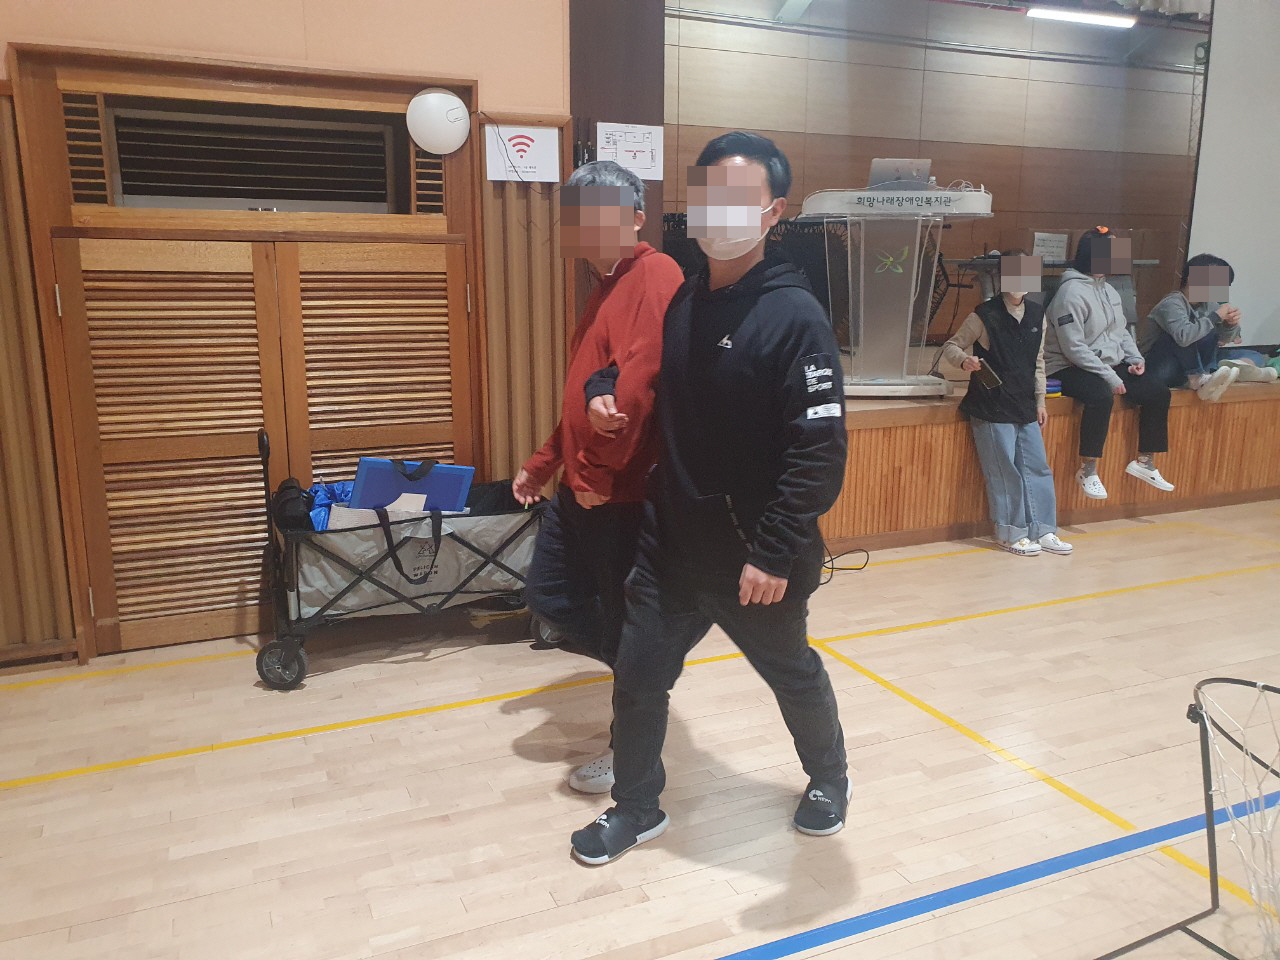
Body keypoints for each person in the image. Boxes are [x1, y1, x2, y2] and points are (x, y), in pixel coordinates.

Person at [568, 132, 850, 866]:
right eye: (708, 195)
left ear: (774, 212)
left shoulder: (796, 318)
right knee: (638, 678)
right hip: (672, 546)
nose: (718, 211)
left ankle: (830, 779)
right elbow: (633, 370)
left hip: (757, 560)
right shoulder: (687, 299)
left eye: (738, 198)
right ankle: (637, 807)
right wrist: (602, 391)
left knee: (790, 672)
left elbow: (819, 452)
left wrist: (775, 552)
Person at [513, 161, 684, 794]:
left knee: (622, 625)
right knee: (550, 596)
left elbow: (638, 393)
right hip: (580, 489)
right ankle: (642, 678)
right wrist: (544, 463)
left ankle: (631, 740)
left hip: (619, 495)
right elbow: (587, 394)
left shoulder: (656, 275)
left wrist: (603, 476)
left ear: (635, 218)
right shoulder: (605, 285)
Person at [943, 253, 1071, 558]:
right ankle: (1011, 533)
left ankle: (1043, 529)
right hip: (991, 405)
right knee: (1005, 472)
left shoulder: (1037, 314)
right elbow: (951, 346)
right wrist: (964, 361)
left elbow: (1038, 361)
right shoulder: (984, 315)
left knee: (1038, 468)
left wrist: (1040, 400)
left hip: (1024, 404)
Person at [1043, 227, 1174, 501]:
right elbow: (1074, 348)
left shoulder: (1110, 290)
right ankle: (1088, 469)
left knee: (1158, 392)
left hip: (1104, 363)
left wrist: (1135, 358)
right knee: (1100, 395)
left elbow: (1121, 330)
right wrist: (1111, 377)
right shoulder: (1070, 293)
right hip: (1067, 366)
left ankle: (1145, 461)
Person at [1142, 254, 1277, 398]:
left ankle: (1233, 371)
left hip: (1197, 364)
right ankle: (1199, 378)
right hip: (1160, 368)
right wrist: (1215, 317)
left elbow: (1224, 339)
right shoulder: (1172, 303)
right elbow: (1184, 337)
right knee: (1184, 334)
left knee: (1254, 354)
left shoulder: (1210, 305)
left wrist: (1230, 325)